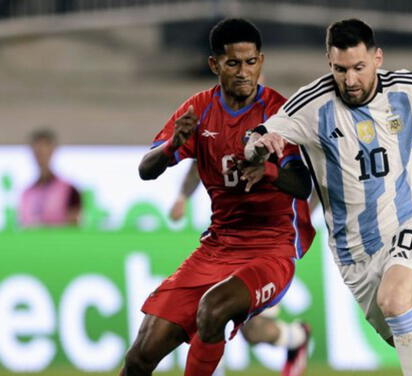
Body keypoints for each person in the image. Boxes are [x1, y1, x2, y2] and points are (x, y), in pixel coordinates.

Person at [244, 19, 412, 376]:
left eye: (358, 68)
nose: (349, 80)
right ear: (328, 62)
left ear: (377, 58)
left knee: (396, 300)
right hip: (353, 250)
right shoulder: (311, 104)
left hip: (410, 219)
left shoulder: (408, 89)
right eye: (340, 69)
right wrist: (259, 148)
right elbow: (255, 138)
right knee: (408, 339)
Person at [121, 18, 315, 376]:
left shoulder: (280, 113)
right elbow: (145, 170)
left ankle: (292, 338)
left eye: (251, 62)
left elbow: (303, 184)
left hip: (270, 250)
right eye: (233, 63)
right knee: (139, 356)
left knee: (214, 309)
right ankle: (292, 339)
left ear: (261, 61)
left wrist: (269, 171)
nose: (244, 72)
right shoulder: (199, 109)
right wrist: (171, 146)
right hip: (217, 247)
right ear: (215, 65)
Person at [168, 161, 312, 376]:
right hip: (226, 243)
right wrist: (182, 197)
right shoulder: (214, 132)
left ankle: (296, 337)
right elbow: (201, 159)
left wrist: (305, 214)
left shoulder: (275, 134)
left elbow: (313, 172)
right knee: (208, 313)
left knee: (253, 331)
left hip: (267, 245)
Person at [19, 128, 81, 227]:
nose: (41, 154)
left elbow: (75, 224)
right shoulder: (27, 193)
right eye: (37, 151)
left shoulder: (69, 189)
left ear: (52, 151)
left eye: (44, 150)